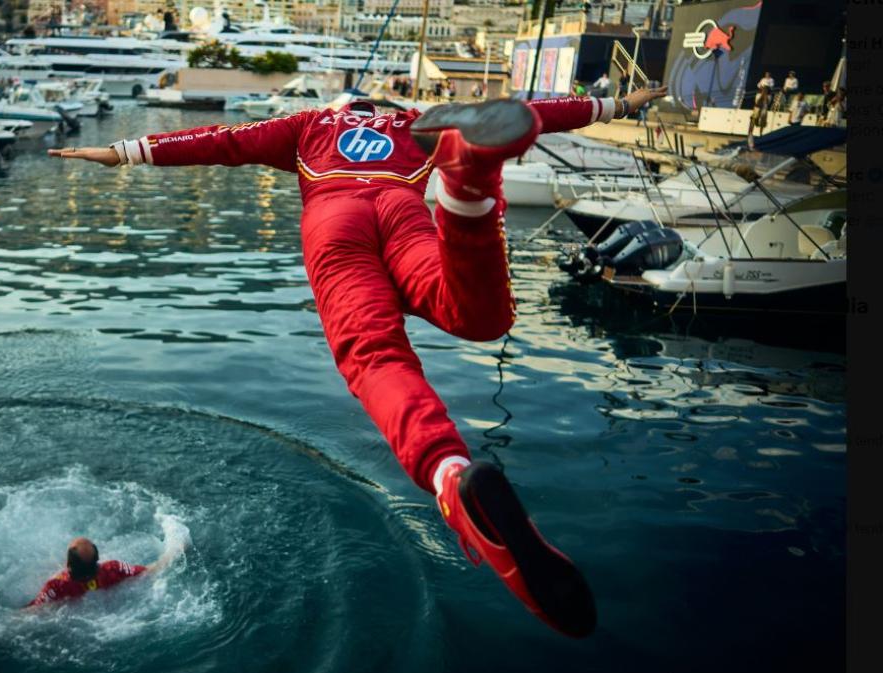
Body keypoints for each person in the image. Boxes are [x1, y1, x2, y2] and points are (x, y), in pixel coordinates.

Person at [50, 85, 667, 637]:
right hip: (404, 213)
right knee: (479, 316)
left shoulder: (311, 126)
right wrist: (618, 105)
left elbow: (223, 142)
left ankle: (451, 479)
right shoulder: (416, 124)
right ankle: (469, 192)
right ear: (384, 112)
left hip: (335, 219)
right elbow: (538, 112)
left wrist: (126, 151)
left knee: (374, 356)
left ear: (342, 111)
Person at [26, 536, 182, 608]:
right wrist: (176, 547)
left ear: (67, 564)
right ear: (97, 560)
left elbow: (31, 612)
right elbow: (151, 570)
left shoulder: (57, 586)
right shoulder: (113, 569)